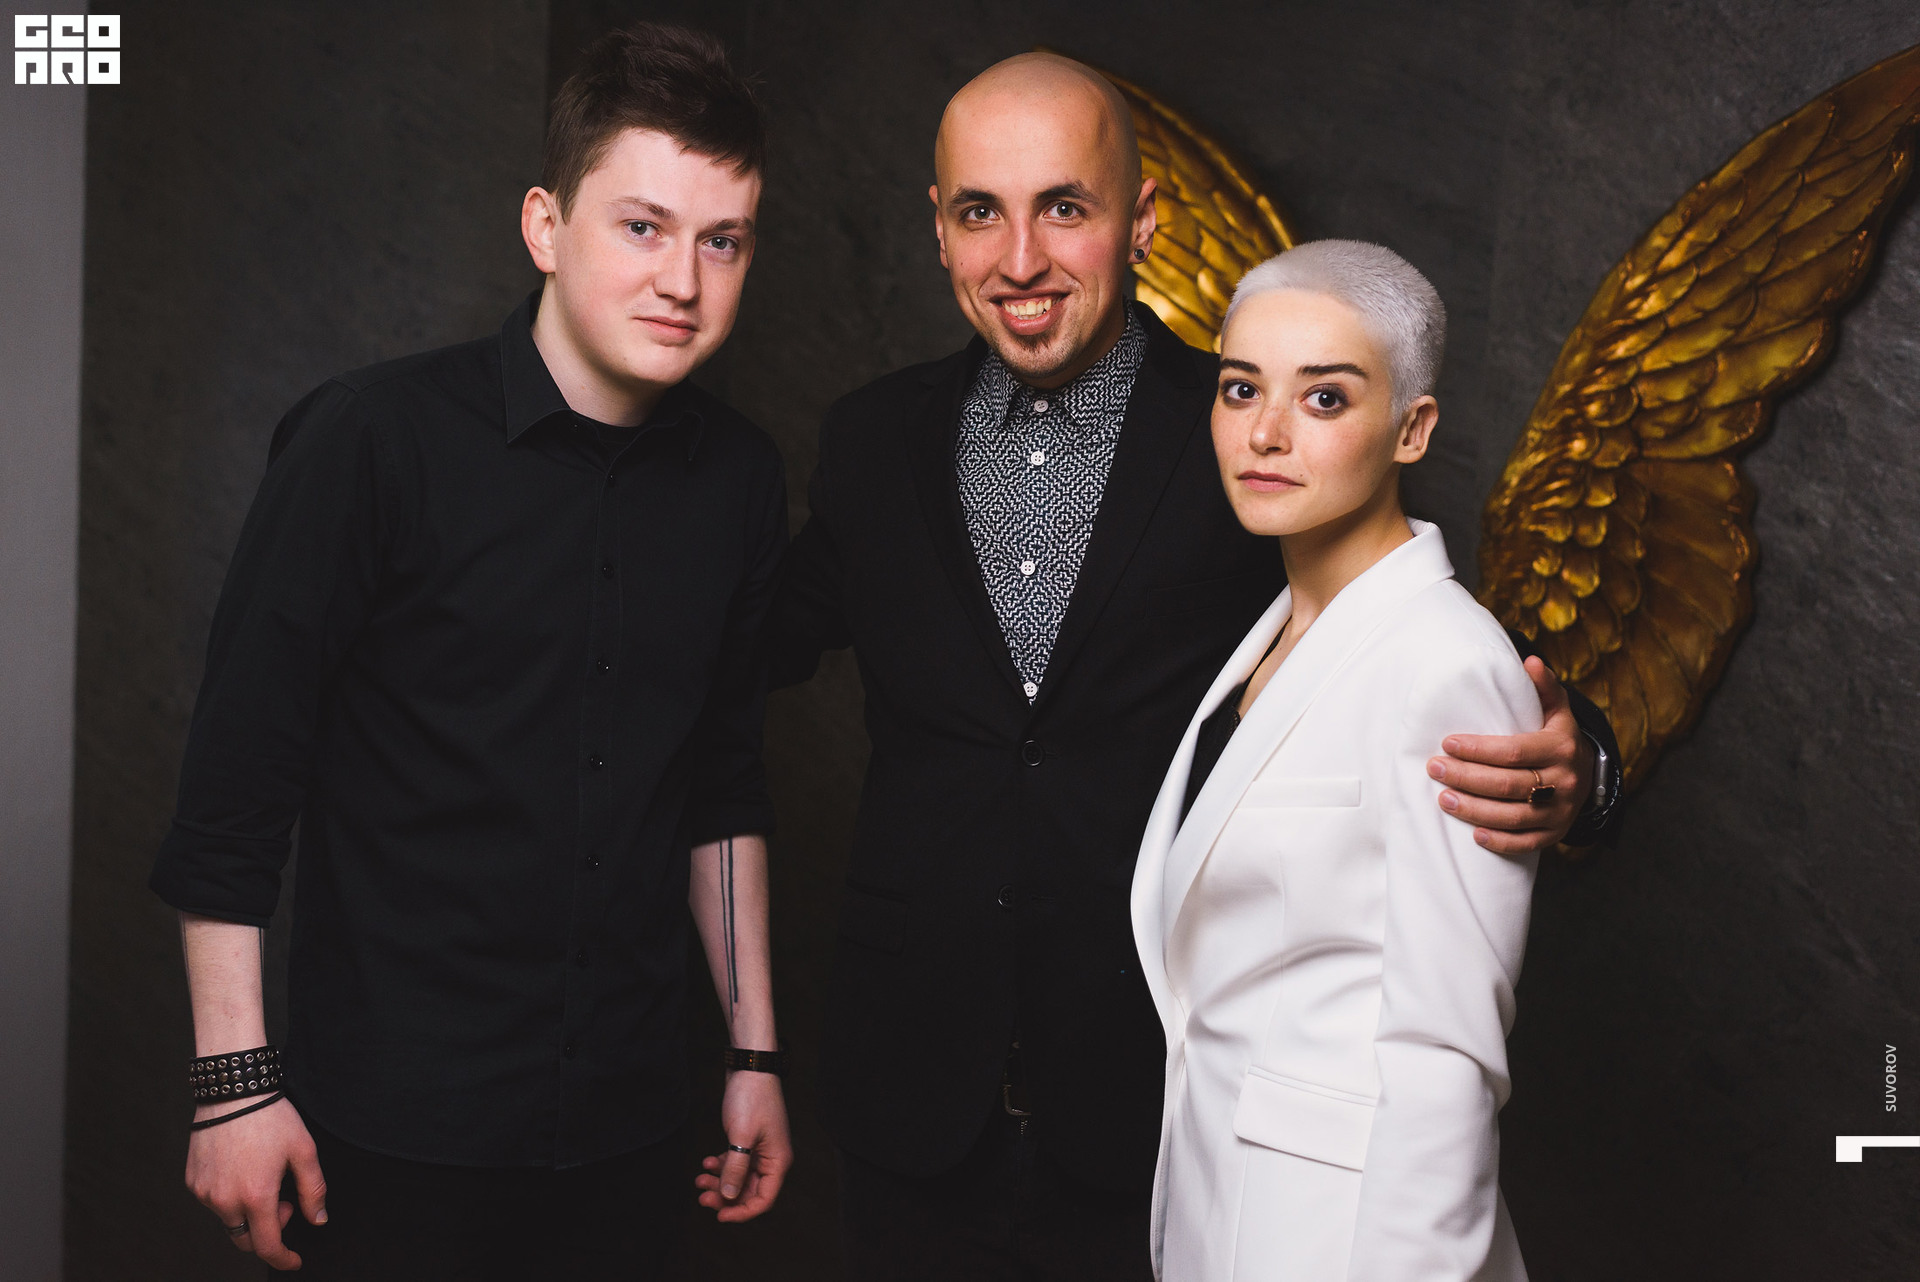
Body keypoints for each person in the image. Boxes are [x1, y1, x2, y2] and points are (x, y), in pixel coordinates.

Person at [771, 53, 1618, 1281]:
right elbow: (748, 634)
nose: (1020, 259)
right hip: (907, 1101)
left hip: (1157, 1120)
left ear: (1143, 220)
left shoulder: (1250, 431)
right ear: (939, 227)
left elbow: (1415, 633)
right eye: (981, 212)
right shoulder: (870, 439)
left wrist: (1581, 765)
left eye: (1065, 206)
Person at [150, 23, 790, 1277]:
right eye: (643, 226)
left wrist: (754, 1051)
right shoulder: (369, 442)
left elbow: (722, 785)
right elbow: (235, 788)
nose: (684, 279)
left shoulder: (741, 481)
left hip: (635, 1136)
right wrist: (233, 1087)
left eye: (724, 241)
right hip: (388, 1138)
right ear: (546, 227)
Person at [1134, 241, 1536, 1281]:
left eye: (1324, 398)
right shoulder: (1271, 632)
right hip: (1220, 1208)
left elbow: (1448, 1055)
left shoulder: (1446, 662)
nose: (1265, 432)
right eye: (1240, 388)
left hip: (1350, 1240)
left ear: (1413, 428)